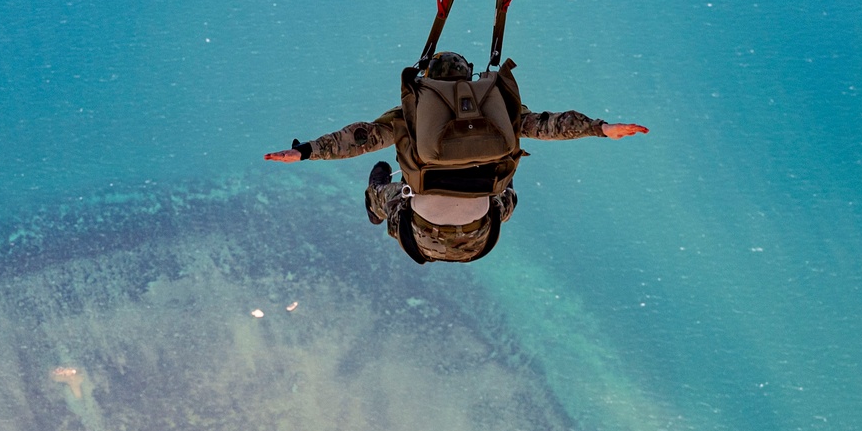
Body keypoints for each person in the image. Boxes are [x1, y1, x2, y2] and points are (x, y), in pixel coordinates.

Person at [264, 51, 648, 264]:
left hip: (422, 234)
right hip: (482, 237)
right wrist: (601, 128)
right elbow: (549, 124)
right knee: (505, 185)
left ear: (429, 82)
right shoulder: (493, 113)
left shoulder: (413, 115)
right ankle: (479, 191)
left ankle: (375, 200)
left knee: (388, 193)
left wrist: (306, 151)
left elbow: (358, 137)